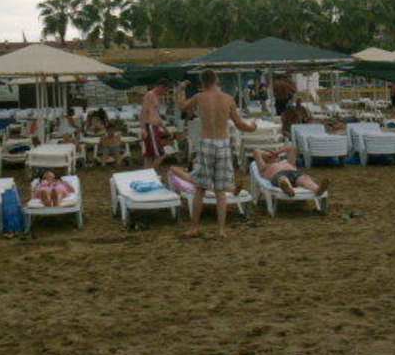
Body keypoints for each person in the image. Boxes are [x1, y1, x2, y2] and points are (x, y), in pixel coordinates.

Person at [177, 69, 257, 238]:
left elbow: (182, 106)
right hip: (223, 143)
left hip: (207, 142)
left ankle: (194, 227)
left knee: (200, 189)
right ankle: (221, 230)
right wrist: (253, 127)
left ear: (202, 82)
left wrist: (180, 90)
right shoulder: (228, 98)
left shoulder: (199, 97)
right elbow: (240, 124)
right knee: (221, 191)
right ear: (216, 80)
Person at [252, 145, 329, 198]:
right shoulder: (264, 167)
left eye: (272, 154)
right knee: (282, 179)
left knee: (304, 178)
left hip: (294, 173)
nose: (271, 154)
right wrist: (266, 154)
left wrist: (277, 152)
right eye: (269, 155)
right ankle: (288, 189)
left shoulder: (288, 163)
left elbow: (292, 148)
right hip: (277, 175)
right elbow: (256, 152)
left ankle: (318, 189)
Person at [140, 81, 171, 167]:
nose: (165, 93)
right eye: (165, 90)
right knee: (161, 154)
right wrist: (143, 129)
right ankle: (149, 173)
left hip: (153, 126)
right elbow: (144, 111)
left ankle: (146, 174)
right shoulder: (150, 95)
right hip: (150, 126)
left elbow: (156, 115)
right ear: (161, 87)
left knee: (149, 155)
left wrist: (164, 128)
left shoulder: (156, 96)